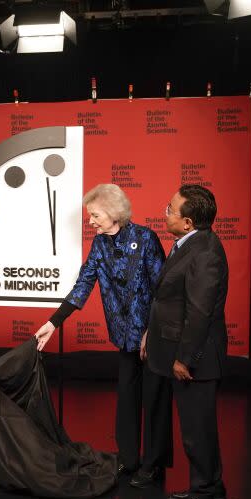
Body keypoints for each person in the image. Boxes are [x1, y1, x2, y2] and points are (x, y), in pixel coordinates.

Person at [34, 183, 167, 480]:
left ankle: (153, 465)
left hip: (153, 335)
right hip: (124, 335)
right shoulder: (100, 244)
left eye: (94, 215)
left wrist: (151, 331)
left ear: (113, 213)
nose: (90, 221)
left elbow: (164, 291)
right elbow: (84, 284)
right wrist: (53, 322)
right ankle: (130, 460)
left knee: (155, 399)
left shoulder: (146, 238)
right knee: (127, 396)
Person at [140, 184, 229, 499]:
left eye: (170, 208)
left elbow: (200, 312)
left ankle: (203, 493)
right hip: (178, 349)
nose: (165, 212)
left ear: (189, 222)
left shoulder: (205, 253)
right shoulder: (190, 244)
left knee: (196, 429)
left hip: (196, 358)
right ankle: (212, 486)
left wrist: (184, 359)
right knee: (199, 426)